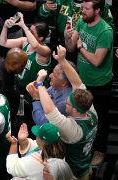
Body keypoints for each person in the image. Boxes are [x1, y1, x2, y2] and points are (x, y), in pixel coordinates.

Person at [34, 45, 98, 179]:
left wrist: (40, 84)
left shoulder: (73, 129)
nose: (65, 102)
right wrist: (62, 60)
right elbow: (77, 83)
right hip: (85, 165)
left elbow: (51, 112)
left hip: (73, 174)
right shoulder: (91, 112)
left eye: (67, 103)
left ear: (74, 109)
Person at [64, 0, 113, 167]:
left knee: (101, 119)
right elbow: (70, 48)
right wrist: (67, 36)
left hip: (99, 84)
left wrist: (81, 48)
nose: (82, 11)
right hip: (81, 81)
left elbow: (97, 61)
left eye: (86, 8)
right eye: (82, 8)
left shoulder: (105, 31)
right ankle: (81, 146)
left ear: (97, 10)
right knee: (79, 114)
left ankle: (100, 150)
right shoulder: (82, 21)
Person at [0, 47, 27, 133]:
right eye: (22, 66)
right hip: (6, 120)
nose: (24, 68)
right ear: (12, 65)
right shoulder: (0, 83)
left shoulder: (1, 63)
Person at [27, 60, 78, 125]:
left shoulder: (66, 102)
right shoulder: (56, 86)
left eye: (55, 75)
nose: (50, 75)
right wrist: (38, 88)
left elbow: (42, 121)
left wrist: (36, 99)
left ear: (64, 83)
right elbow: (45, 95)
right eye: (52, 72)